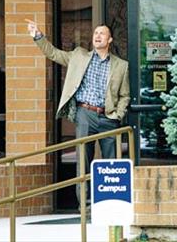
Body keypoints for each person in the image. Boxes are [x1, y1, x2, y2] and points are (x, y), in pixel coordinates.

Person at [26, 19, 130, 205]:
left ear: (110, 39)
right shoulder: (79, 56)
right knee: (83, 162)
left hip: (108, 117)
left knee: (111, 163)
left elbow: (125, 95)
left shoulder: (121, 65)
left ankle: (111, 203)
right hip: (85, 114)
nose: (97, 36)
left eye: (102, 33)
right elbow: (54, 54)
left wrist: (118, 115)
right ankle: (84, 205)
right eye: (95, 33)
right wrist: (38, 36)